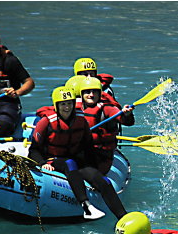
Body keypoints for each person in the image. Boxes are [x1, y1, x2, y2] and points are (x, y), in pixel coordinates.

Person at [27, 86, 127, 220]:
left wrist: (94, 170)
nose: (67, 107)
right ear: (56, 106)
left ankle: (123, 216)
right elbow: (33, 150)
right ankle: (86, 207)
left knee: (101, 179)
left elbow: (88, 146)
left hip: (76, 161)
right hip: (53, 159)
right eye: (63, 104)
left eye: (69, 103)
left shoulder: (81, 120)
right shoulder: (45, 122)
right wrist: (43, 163)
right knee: (69, 163)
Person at [78, 76, 134, 174]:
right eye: (87, 92)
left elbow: (126, 121)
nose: (91, 95)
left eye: (94, 92)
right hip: (82, 151)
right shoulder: (75, 108)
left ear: (100, 94)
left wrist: (127, 114)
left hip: (101, 155)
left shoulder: (108, 108)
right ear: (81, 94)